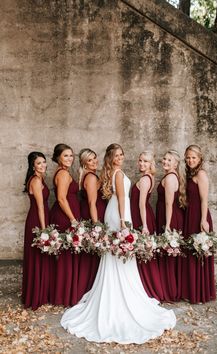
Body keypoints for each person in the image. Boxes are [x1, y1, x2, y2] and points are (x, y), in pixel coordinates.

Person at [61, 143, 176, 344]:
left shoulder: (113, 173)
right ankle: (118, 293)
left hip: (115, 212)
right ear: (111, 158)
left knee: (117, 253)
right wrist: (124, 221)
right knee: (120, 251)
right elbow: (122, 197)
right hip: (119, 214)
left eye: (122, 154)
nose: (121, 157)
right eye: (117, 155)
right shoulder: (118, 173)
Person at [181, 145, 216, 303]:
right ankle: (192, 290)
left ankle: (201, 292)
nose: (190, 160)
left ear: (200, 159)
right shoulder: (190, 174)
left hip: (199, 216)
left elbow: (204, 200)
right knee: (191, 252)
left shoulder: (201, 174)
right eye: (188, 157)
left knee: (199, 252)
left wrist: (203, 220)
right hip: (190, 215)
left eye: (193, 157)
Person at [50, 143, 80, 306]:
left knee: (66, 254)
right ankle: (64, 295)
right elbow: (61, 198)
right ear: (58, 158)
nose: (69, 158)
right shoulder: (62, 174)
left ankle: (65, 293)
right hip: (65, 217)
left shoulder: (64, 172)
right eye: (65, 155)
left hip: (66, 215)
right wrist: (73, 219)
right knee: (65, 256)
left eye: (71, 155)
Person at [131, 151, 164, 301]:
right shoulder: (148, 177)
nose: (142, 164)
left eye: (146, 161)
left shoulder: (145, 179)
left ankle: (149, 288)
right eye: (140, 160)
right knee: (143, 254)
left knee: (144, 254)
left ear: (151, 164)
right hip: (142, 217)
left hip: (142, 218)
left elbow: (142, 204)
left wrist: (144, 225)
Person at [22, 151, 51, 310]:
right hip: (37, 221)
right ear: (33, 166)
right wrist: (44, 229)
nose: (42, 165)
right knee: (36, 257)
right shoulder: (35, 181)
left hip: (40, 218)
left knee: (40, 257)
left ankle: (39, 292)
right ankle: (35, 295)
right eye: (38, 163)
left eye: (43, 162)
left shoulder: (39, 179)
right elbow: (40, 206)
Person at [76, 148, 107, 299]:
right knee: (94, 254)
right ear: (84, 163)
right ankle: (91, 289)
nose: (94, 161)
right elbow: (92, 203)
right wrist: (97, 225)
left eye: (95, 158)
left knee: (90, 255)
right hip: (94, 215)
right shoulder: (91, 178)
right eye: (90, 160)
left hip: (90, 214)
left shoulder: (88, 176)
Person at [156, 150, 186, 302]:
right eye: (164, 158)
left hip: (169, 217)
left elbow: (169, 203)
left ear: (176, 163)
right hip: (169, 215)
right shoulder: (172, 176)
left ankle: (170, 290)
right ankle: (171, 288)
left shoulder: (169, 178)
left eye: (169, 160)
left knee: (169, 253)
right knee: (170, 254)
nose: (165, 161)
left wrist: (167, 226)